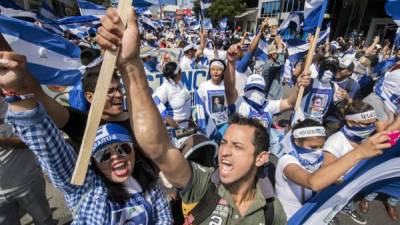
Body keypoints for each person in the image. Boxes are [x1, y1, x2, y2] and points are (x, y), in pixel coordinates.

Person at [95, 8, 287, 224]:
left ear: (261, 158)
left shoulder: (272, 212)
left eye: (238, 146)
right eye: (224, 143)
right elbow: (159, 148)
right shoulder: (204, 185)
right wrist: (130, 65)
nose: (224, 152)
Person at [276, 118, 391, 224]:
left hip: (311, 214)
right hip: (291, 218)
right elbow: (312, 183)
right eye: (313, 147)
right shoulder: (286, 162)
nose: (318, 151)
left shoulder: (320, 158)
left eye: (322, 146)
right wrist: (359, 153)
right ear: (297, 142)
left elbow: (332, 172)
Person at [0, 100, 57, 225]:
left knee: (45, 221)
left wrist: (2, 141)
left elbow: (34, 139)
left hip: (28, 183)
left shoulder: (16, 108)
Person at [323, 101, 378, 225]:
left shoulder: (365, 138)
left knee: (346, 199)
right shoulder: (334, 143)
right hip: (334, 189)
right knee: (328, 205)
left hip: (352, 186)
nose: (372, 126)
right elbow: (326, 175)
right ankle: (328, 216)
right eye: (367, 124)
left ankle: (346, 206)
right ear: (351, 122)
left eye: (374, 122)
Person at [153, 61, 191, 131]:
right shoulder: (165, 87)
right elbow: (155, 101)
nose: (181, 73)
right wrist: (167, 118)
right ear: (177, 74)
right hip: (174, 129)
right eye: (180, 71)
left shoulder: (180, 83)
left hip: (186, 126)